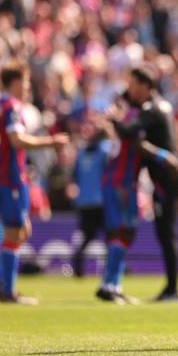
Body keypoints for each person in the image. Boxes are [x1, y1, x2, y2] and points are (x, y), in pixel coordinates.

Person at [0, 61, 69, 304]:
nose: (26, 87)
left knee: (22, 230)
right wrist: (50, 142)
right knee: (16, 231)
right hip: (10, 178)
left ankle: (0, 282)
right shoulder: (12, 106)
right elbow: (16, 140)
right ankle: (7, 291)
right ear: (13, 83)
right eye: (24, 82)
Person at [96, 90, 178, 305]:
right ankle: (111, 286)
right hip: (122, 183)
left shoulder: (117, 125)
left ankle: (110, 283)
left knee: (119, 233)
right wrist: (165, 157)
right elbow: (139, 146)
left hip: (113, 181)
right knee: (124, 233)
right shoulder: (128, 125)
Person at [112, 65, 178, 304]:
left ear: (145, 86)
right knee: (164, 232)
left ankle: (173, 290)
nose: (129, 89)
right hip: (166, 177)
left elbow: (127, 131)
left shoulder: (151, 109)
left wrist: (112, 118)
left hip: (167, 178)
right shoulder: (158, 106)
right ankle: (171, 288)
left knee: (167, 233)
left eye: (133, 84)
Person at [69, 119, 109, 277]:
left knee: (87, 236)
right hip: (101, 201)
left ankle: (78, 266)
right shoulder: (104, 152)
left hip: (84, 201)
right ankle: (111, 269)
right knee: (110, 237)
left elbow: (76, 177)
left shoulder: (82, 153)